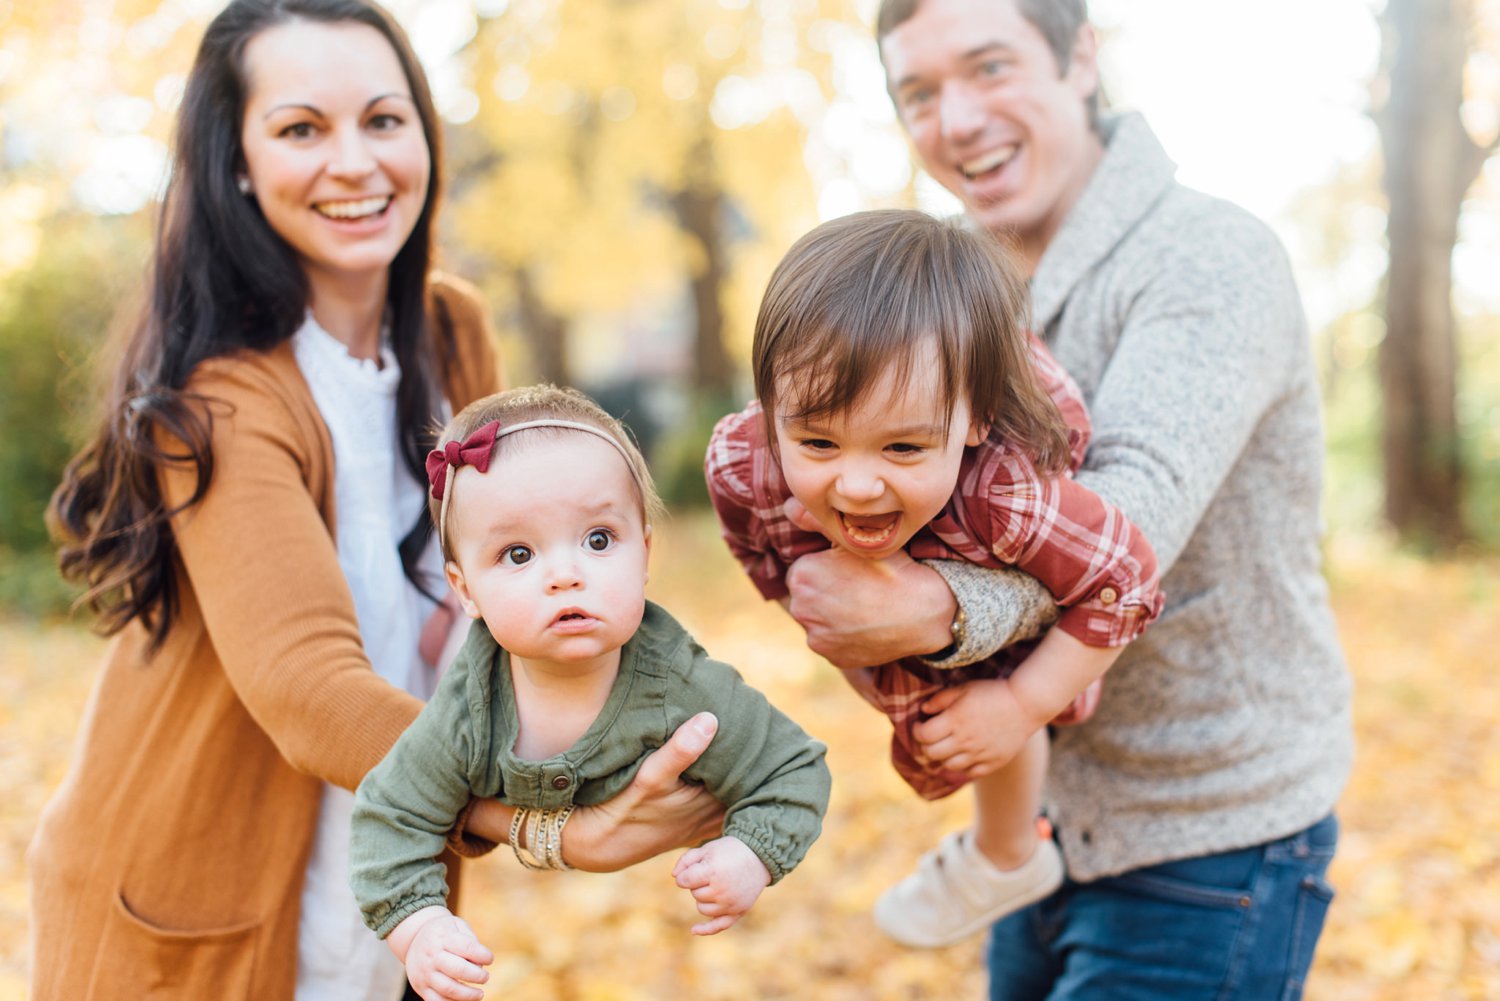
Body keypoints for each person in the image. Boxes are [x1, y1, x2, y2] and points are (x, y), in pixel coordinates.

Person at [30, 3, 723, 998]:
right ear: (237, 161)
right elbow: (312, 687)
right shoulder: (221, 400)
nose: (353, 162)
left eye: (384, 120)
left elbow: (505, 579)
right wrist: (544, 813)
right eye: (302, 128)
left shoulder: (452, 336)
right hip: (188, 911)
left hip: (391, 899)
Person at [767, 0, 1353, 996]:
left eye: (990, 67)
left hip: (1207, 827)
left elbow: (1131, 518)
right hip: (1042, 818)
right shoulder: (942, 279)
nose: (955, 120)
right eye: (919, 92)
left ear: (1082, 56)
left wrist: (935, 608)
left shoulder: (1208, 253)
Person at [706, 209, 1161, 949]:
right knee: (892, 672)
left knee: (984, 703)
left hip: (996, 547)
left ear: (972, 421)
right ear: (770, 407)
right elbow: (752, 546)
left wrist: (1018, 703)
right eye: (818, 439)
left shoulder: (1006, 494)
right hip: (855, 557)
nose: (856, 484)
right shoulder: (743, 461)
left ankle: (1007, 851)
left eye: (903, 447)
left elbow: (1126, 580)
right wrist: (816, 615)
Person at [351, 385, 831, 1000]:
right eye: (518, 553)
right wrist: (418, 929)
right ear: (464, 589)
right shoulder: (469, 709)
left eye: (599, 540)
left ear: (644, 553)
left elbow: (794, 769)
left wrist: (751, 855)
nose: (566, 574)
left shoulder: (683, 686)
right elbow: (389, 815)